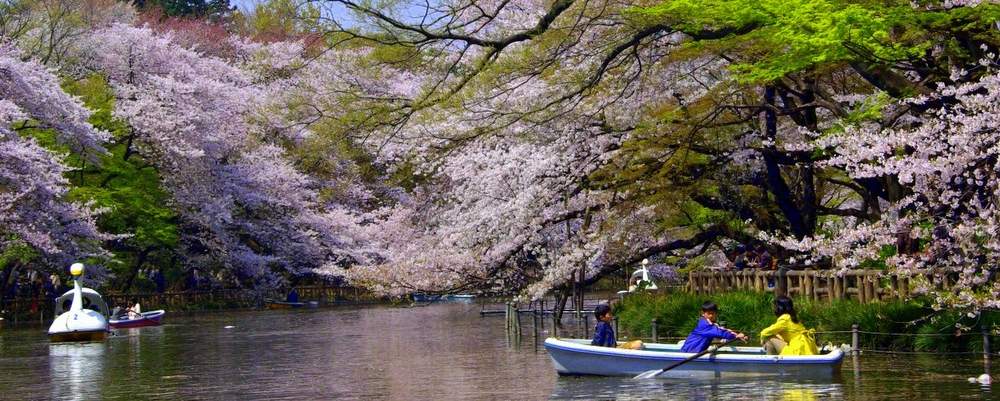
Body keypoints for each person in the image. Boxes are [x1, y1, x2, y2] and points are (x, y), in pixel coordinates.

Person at [680, 301, 749, 353]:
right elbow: (720, 333)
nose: (711, 316)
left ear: (716, 314)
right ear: (703, 313)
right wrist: (735, 336)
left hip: (694, 351)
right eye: (709, 313)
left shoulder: (710, 324)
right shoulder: (705, 325)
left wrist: (737, 335)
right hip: (689, 352)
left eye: (713, 313)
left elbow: (722, 330)